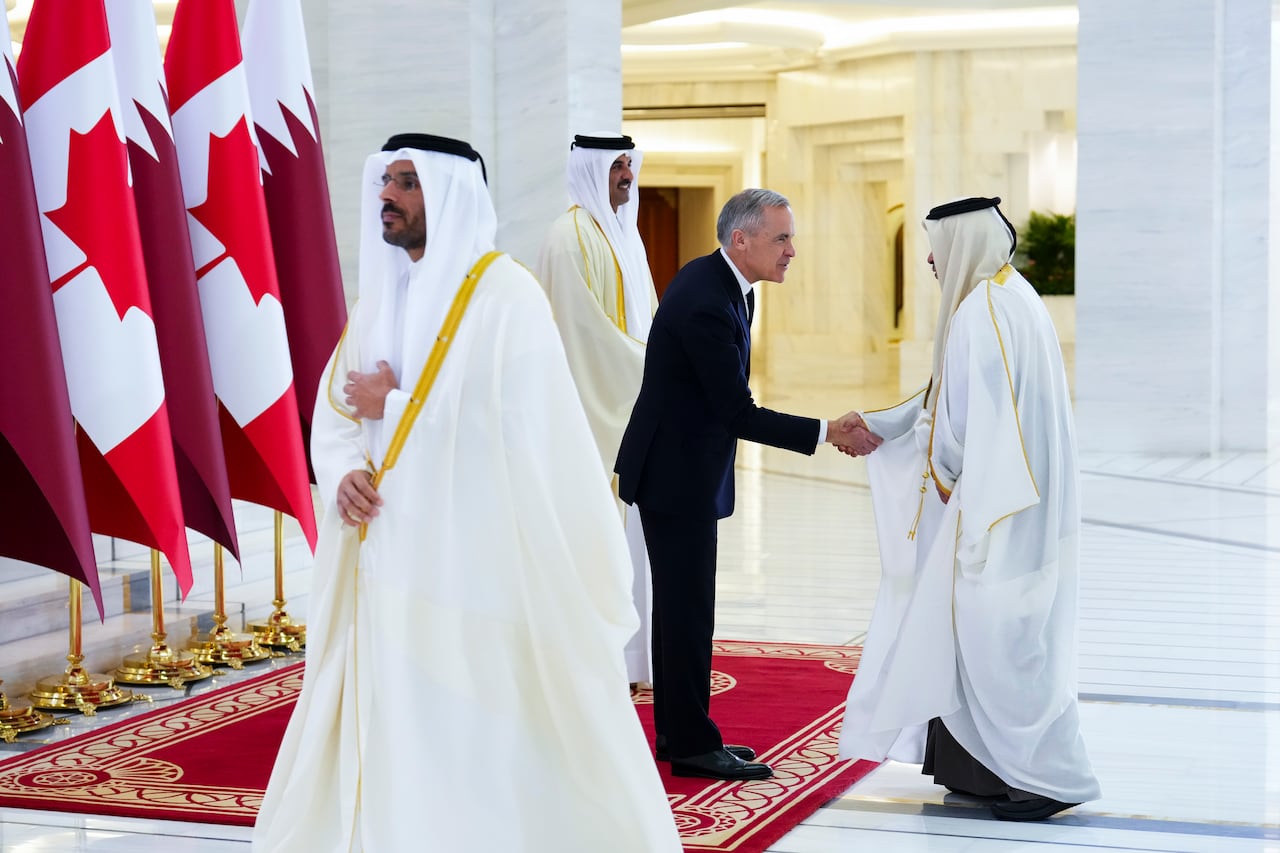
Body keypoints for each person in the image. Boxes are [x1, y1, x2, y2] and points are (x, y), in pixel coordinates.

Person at [253, 133, 681, 852]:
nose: (387, 196)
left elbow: (525, 429)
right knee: (390, 708)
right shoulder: (380, 299)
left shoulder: (505, 295)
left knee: (467, 721)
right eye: (386, 181)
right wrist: (346, 471)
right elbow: (335, 407)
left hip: (470, 562)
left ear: (449, 196)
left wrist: (395, 403)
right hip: (383, 553)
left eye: (407, 184)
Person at [836, 197, 1101, 821]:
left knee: (1001, 643)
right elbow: (943, 398)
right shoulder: (1010, 297)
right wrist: (881, 423)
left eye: (936, 245)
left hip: (999, 508)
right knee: (973, 640)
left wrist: (919, 458)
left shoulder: (981, 312)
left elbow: (959, 427)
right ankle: (981, 771)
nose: (929, 258)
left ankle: (1049, 777)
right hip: (1018, 503)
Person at [614, 188, 880, 782]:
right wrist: (825, 431)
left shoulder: (726, 286)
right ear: (742, 240)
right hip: (673, 476)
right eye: (781, 237)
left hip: (682, 470)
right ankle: (688, 744)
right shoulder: (708, 299)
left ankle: (687, 735)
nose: (792, 250)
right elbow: (738, 411)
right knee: (685, 613)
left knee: (688, 610)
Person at [535, 132, 657, 685]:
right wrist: (656, 372)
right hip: (595, 413)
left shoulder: (625, 234)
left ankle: (635, 659)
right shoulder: (568, 238)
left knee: (639, 545)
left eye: (630, 165)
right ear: (591, 170)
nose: (626, 176)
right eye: (616, 167)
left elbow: (649, 320)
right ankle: (599, 657)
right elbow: (583, 335)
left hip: (638, 407)